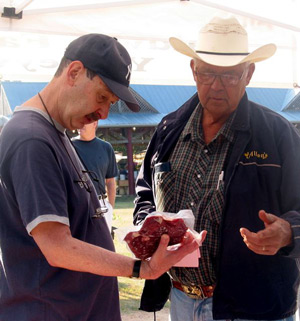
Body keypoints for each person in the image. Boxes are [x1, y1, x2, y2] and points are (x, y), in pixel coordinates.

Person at [0, 34, 202, 321]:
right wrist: (140, 269)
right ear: (74, 72)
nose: (104, 113)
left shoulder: (54, 133)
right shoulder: (31, 139)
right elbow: (57, 247)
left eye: (111, 102)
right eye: (102, 97)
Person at [133, 16, 300, 321]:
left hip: (254, 308)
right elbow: (145, 192)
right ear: (193, 70)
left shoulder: (278, 134)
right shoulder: (169, 129)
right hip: (181, 299)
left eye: (230, 76)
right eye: (207, 73)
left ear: (248, 74)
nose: (216, 86)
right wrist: (147, 226)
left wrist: (289, 231)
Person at [73, 120, 118, 232]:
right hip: (77, 204)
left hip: (101, 205)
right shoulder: (69, 146)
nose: (80, 123)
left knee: (104, 246)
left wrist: (110, 207)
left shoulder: (106, 148)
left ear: (95, 123)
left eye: (84, 120)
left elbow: (110, 181)